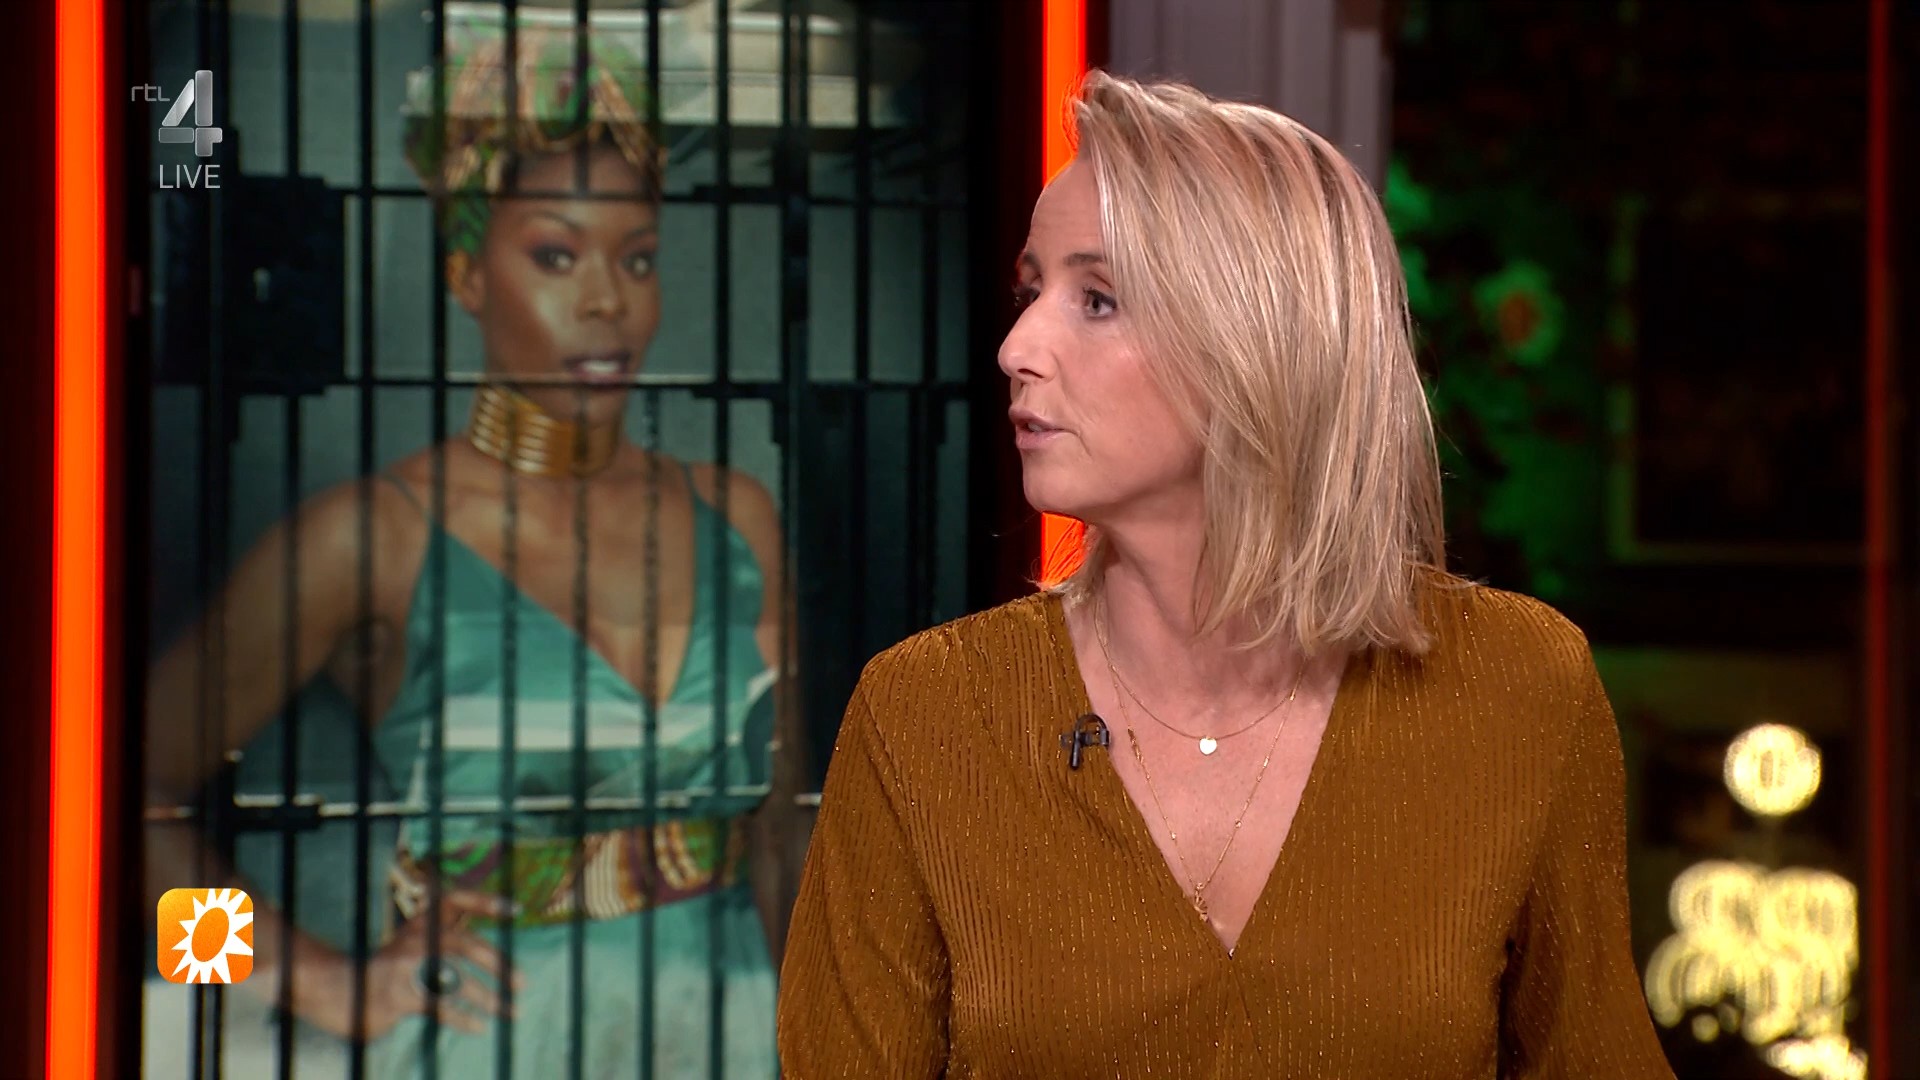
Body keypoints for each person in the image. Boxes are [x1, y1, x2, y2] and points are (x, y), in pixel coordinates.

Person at [776, 71, 1677, 1078]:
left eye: (1097, 299)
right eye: (1032, 293)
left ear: (1257, 342)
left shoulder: (1518, 686)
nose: (1016, 347)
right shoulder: (926, 715)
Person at [143, 17, 798, 1079]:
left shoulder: (739, 519)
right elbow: (112, 810)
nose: (607, 300)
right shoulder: (372, 538)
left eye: (638, 258)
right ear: (467, 274)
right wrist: (319, 982)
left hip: (734, 1041)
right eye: (555, 255)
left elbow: (786, 832)